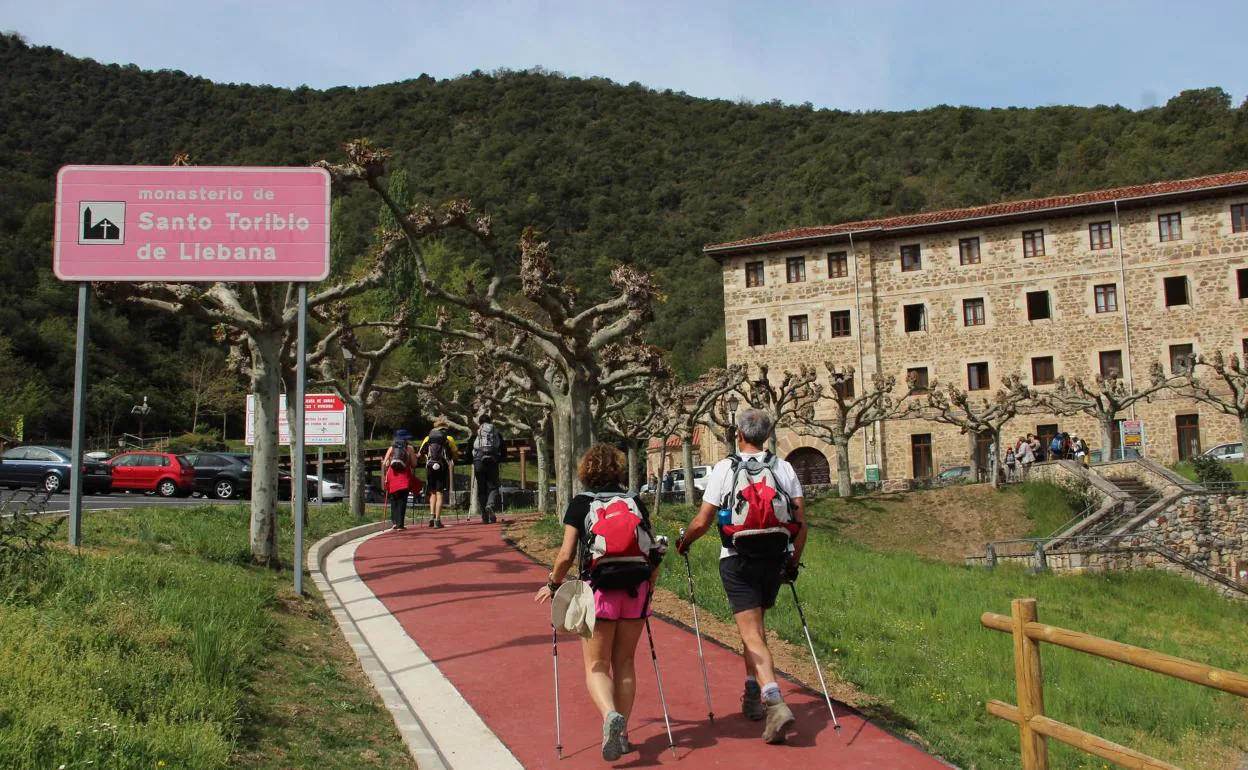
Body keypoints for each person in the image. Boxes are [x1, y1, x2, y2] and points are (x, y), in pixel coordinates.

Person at [675, 408, 807, 745]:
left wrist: (684, 541)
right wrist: (792, 562)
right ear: (766, 435)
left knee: (751, 635)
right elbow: (801, 523)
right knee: (757, 630)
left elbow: (703, 520)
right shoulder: (784, 467)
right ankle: (752, 693)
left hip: (737, 558)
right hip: (775, 557)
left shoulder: (725, 468)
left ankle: (775, 701)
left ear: (739, 434)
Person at [535, 444, 662, 761]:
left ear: (585, 471)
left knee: (596, 666)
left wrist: (553, 584)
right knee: (626, 665)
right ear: (619, 469)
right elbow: (653, 550)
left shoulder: (580, 505)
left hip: (599, 591)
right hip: (636, 590)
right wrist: (652, 587)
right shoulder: (634, 502)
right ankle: (623, 734)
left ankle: (609, 717)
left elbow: (565, 555)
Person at [419, 419, 458, 529]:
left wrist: (426, 459)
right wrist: (453, 459)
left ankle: (431, 516)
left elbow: (420, 453)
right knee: (440, 493)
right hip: (442, 467)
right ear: (444, 428)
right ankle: (437, 520)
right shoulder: (448, 438)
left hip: (430, 467)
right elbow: (455, 453)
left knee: (432, 492)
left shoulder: (428, 438)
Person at [381, 429, 418, 531]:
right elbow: (414, 464)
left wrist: (389, 462)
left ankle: (394, 522)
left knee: (394, 499)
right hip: (404, 477)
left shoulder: (391, 448)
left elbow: (385, 464)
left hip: (392, 477)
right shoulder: (409, 448)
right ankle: (400, 524)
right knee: (402, 500)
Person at [473, 413, 504, 524]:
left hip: (478, 461)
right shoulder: (496, 431)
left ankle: (484, 517)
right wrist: (500, 458)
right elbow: (502, 447)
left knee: (481, 489)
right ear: (490, 421)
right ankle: (490, 504)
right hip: (492, 460)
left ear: (480, 422)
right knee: (494, 486)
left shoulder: (477, 432)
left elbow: (470, 447)